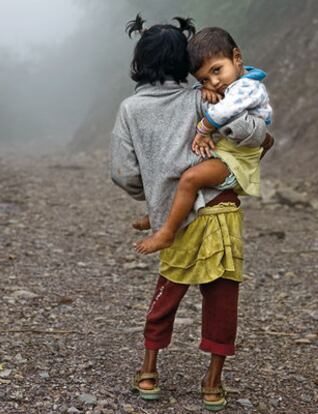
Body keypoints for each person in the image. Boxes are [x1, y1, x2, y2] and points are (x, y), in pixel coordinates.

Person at [111, 14, 273, 411]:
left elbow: (123, 173)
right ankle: (213, 385)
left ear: (140, 61)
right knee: (222, 295)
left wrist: (151, 196)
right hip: (221, 208)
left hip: (175, 218)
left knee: (168, 291)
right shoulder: (205, 96)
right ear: (184, 61)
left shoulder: (131, 109)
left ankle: (148, 372)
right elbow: (258, 133)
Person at [134, 26, 273, 254]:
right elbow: (217, 95)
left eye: (217, 71)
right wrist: (203, 89)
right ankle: (160, 213)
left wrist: (203, 129)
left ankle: (167, 232)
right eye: (205, 79)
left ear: (237, 57)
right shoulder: (231, 84)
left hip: (236, 158)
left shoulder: (248, 87)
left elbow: (223, 111)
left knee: (190, 178)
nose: (215, 82)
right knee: (181, 164)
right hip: (228, 151)